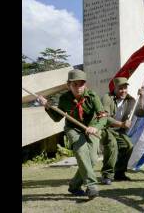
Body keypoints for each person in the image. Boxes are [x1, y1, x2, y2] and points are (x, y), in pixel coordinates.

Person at [37, 69, 107, 199]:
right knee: (81, 153)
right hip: (73, 129)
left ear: (85, 84)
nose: (78, 87)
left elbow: (103, 116)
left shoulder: (92, 96)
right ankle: (91, 186)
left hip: (91, 129)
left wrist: (95, 127)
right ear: (68, 85)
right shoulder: (64, 98)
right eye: (74, 84)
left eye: (81, 84)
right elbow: (57, 117)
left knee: (91, 160)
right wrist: (47, 107)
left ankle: (74, 186)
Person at [99, 77, 144, 184]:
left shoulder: (130, 100)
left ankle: (119, 173)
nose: (123, 91)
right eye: (120, 88)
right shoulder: (107, 98)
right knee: (112, 145)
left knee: (128, 146)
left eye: (125, 88)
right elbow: (104, 118)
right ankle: (107, 175)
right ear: (114, 88)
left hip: (119, 131)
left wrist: (142, 97)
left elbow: (141, 113)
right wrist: (122, 124)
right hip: (106, 129)